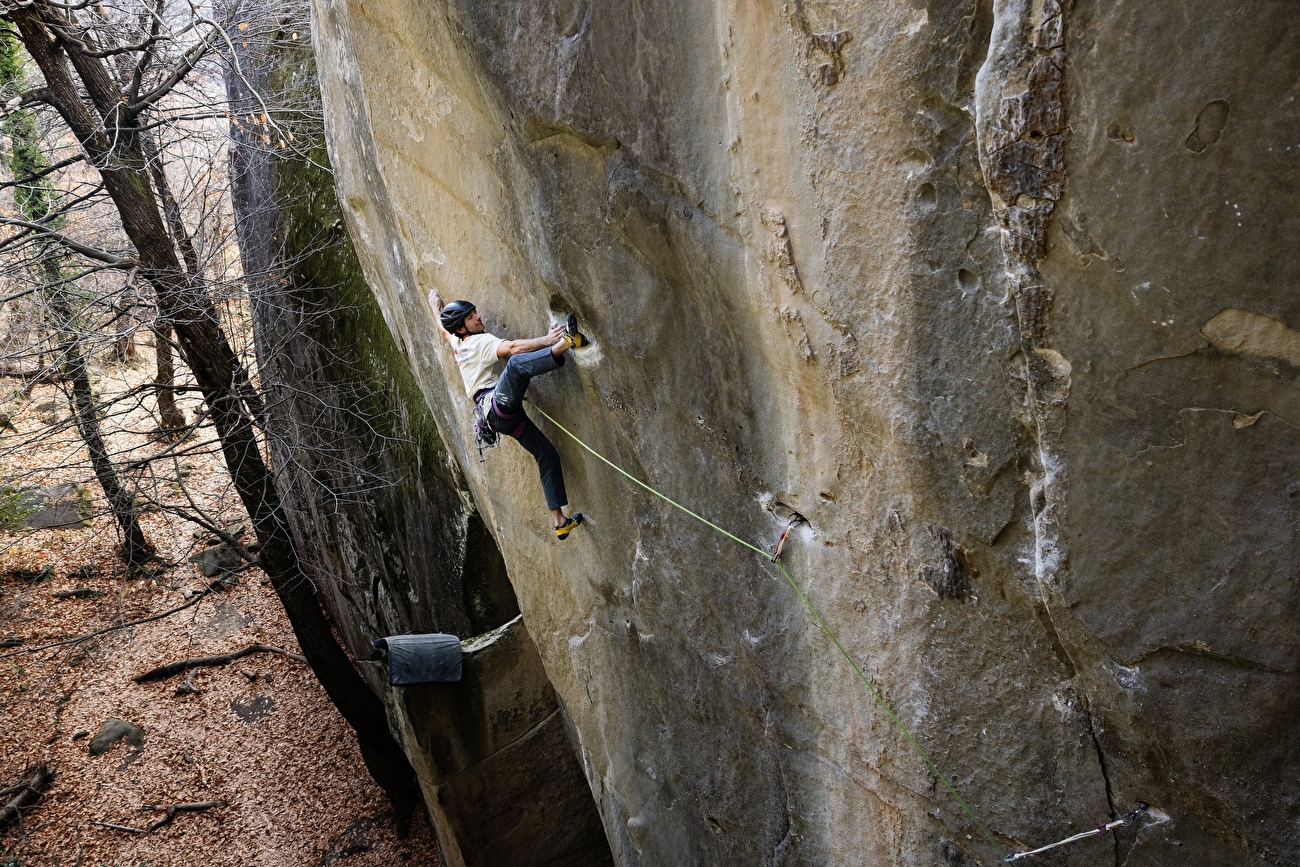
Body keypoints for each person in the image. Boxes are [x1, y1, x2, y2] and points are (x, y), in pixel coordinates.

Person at [428, 289, 589, 539]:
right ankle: (567, 342)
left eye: (474, 313)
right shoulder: (477, 342)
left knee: (546, 454)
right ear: (462, 328)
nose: (478, 317)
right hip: (496, 405)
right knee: (515, 366)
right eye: (471, 317)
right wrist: (548, 340)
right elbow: (512, 348)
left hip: (500, 418)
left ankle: (559, 522)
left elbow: (442, 330)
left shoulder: (457, 342)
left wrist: (435, 306)